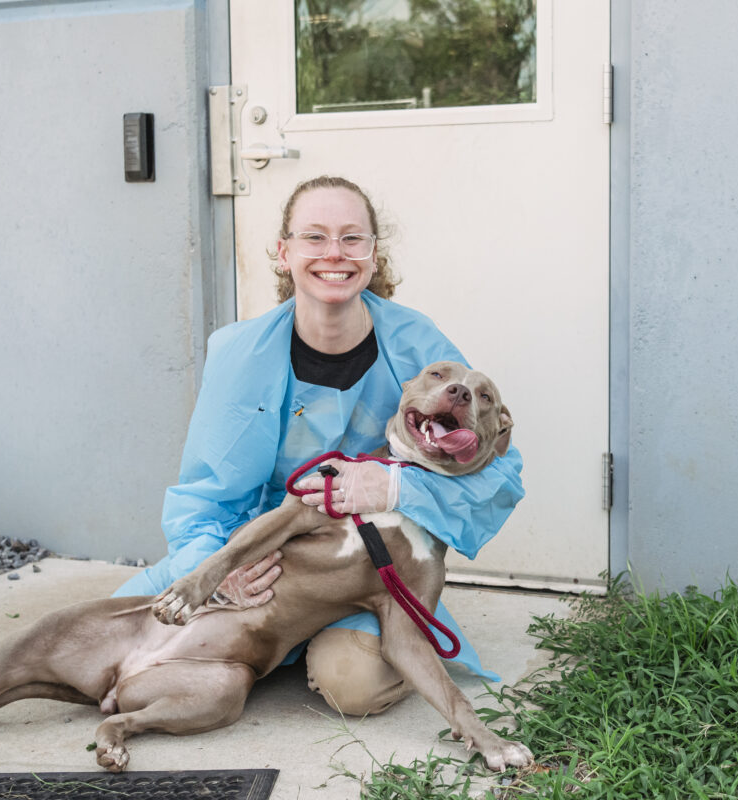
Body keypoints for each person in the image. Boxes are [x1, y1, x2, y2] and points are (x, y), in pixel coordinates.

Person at [114, 175, 524, 716]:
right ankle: (257, 641)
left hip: (365, 572)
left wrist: (396, 485)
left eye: (353, 238)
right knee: (119, 632)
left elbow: (499, 472)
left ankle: (308, 644)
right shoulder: (240, 353)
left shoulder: (419, 348)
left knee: (356, 684)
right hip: (260, 557)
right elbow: (204, 492)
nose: (335, 253)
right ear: (283, 253)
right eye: (314, 237)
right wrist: (220, 567)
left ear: (374, 256)